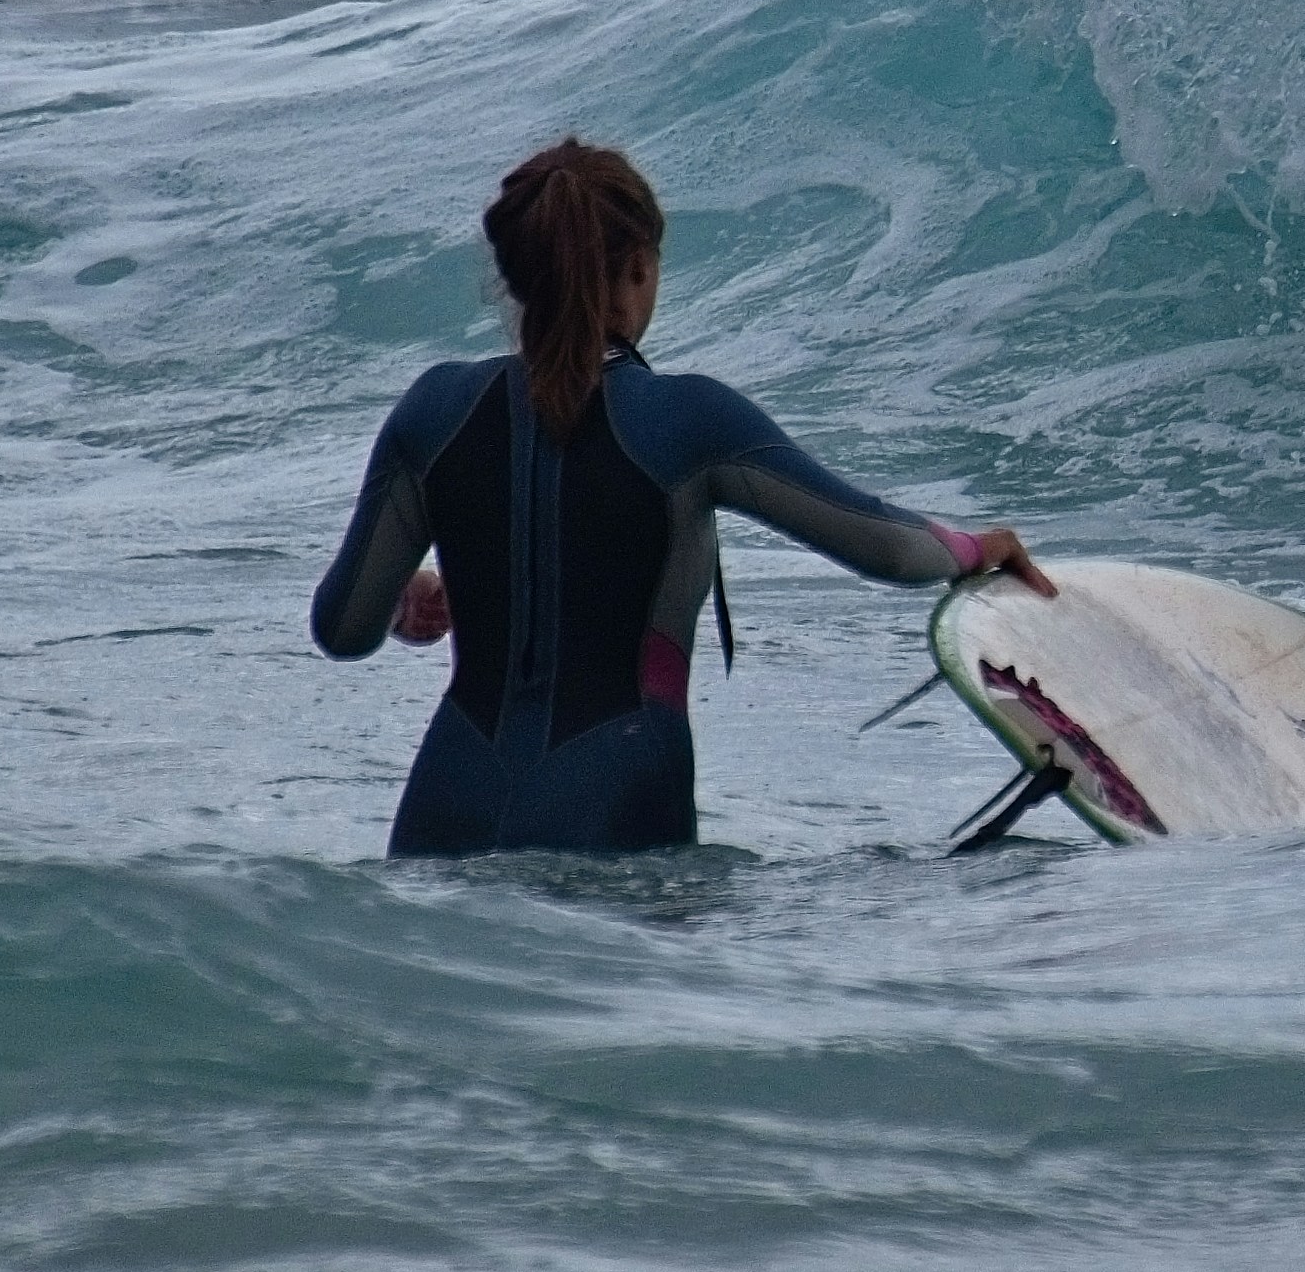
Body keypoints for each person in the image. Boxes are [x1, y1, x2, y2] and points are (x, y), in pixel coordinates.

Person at [312, 138, 1049, 854]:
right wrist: (975, 547)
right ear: (639, 267)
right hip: (614, 812)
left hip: (444, 811)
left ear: (517, 277)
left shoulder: (433, 409)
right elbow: (888, 548)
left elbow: (342, 628)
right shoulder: (687, 420)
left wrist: (402, 599)